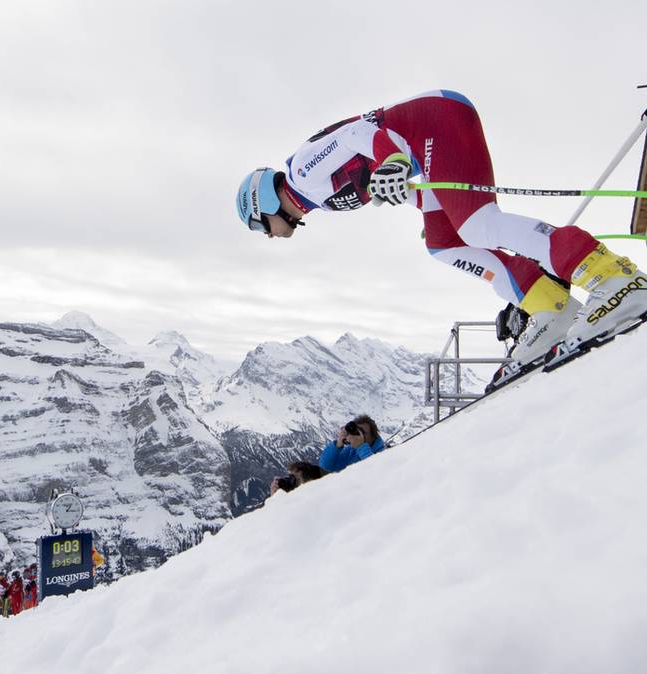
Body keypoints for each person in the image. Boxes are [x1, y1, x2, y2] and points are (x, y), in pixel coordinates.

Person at [236, 90, 647, 366]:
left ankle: (613, 276)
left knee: (480, 226)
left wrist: (394, 161)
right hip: (422, 149)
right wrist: (423, 202)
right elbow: (397, 187)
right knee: (444, 242)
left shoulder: (301, 174)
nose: (268, 235)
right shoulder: (317, 198)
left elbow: (357, 135)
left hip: (435, 123)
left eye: (260, 226)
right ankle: (549, 308)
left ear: (264, 202)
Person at [319, 415, 386, 473]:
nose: (359, 435)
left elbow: (378, 473)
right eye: (356, 431)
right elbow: (325, 468)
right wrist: (337, 445)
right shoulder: (351, 451)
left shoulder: (383, 453)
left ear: (373, 437)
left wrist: (362, 447)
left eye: (362, 432)